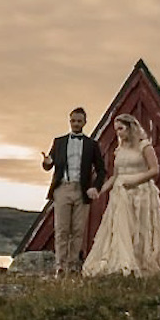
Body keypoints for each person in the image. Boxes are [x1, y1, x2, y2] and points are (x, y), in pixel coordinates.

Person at [82, 113, 160, 276]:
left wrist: (134, 181)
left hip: (141, 192)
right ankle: (123, 263)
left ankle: (140, 262)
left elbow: (154, 169)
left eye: (121, 128)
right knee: (121, 228)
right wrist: (100, 190)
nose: (118, 133)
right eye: (116, 130)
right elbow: (115, 176)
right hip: (121, 194)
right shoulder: (119, 150)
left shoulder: (144, 146)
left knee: (140, 228)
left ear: (130, 127)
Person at [42, 107, 106, 277]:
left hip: (82, 190)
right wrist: (47, 162)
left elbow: (101, 170)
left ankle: (72, 266)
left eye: (79, 121)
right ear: (69, 121)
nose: (76, 124)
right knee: (62, 229)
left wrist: (95, 187)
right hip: (62, 188)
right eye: (73, 121)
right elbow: (49, 165)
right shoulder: (59, 141)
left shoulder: (92, 145)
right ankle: (60, 267)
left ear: (85, 122)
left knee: (77, 230)